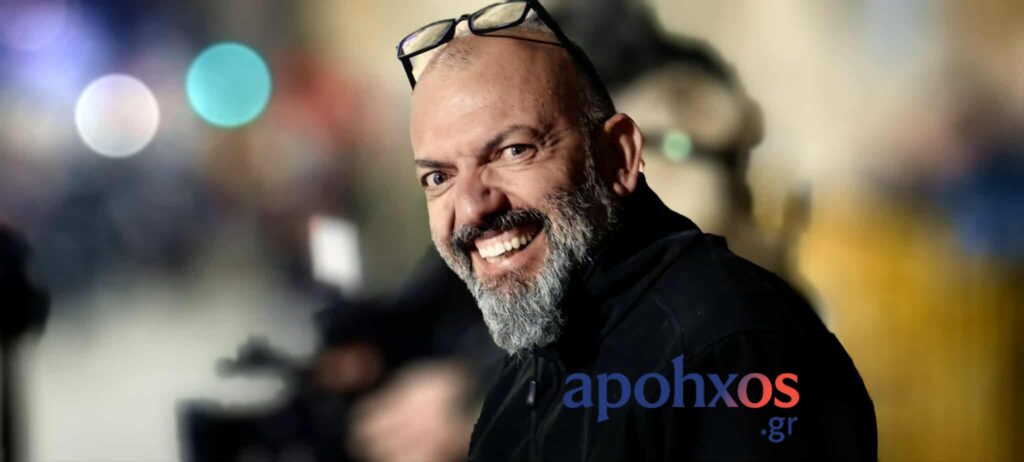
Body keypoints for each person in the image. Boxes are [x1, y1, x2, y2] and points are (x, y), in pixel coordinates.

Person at [396, 1, 876, 460]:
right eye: (438, 177)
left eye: (514, 151)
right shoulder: (531, 366)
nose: (472, 207)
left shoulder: (732, 346)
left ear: (620, 157)